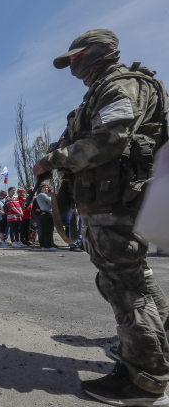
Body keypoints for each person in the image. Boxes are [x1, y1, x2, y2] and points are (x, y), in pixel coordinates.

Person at [34, 28, 169, 405]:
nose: (72, 64)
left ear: (97, 52)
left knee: (125, 291)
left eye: (76, 56)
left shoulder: (119, 87)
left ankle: (144, 380)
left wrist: (52, 160)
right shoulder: (107, 89)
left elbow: (110, 140)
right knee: (137, 280)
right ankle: (157, 352)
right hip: (110, 205)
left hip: (115, 207)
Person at [35, 183, 56, 251]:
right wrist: (51, 198)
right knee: (49, 230)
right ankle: (48, 245)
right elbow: (52, 201)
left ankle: (45, 244)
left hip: (44, 213)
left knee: (46, 229)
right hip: (47, 213)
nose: (46, 189)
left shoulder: (40, 195)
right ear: (40, 189)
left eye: (46, 187)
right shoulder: (42, 195)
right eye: (44, 187)